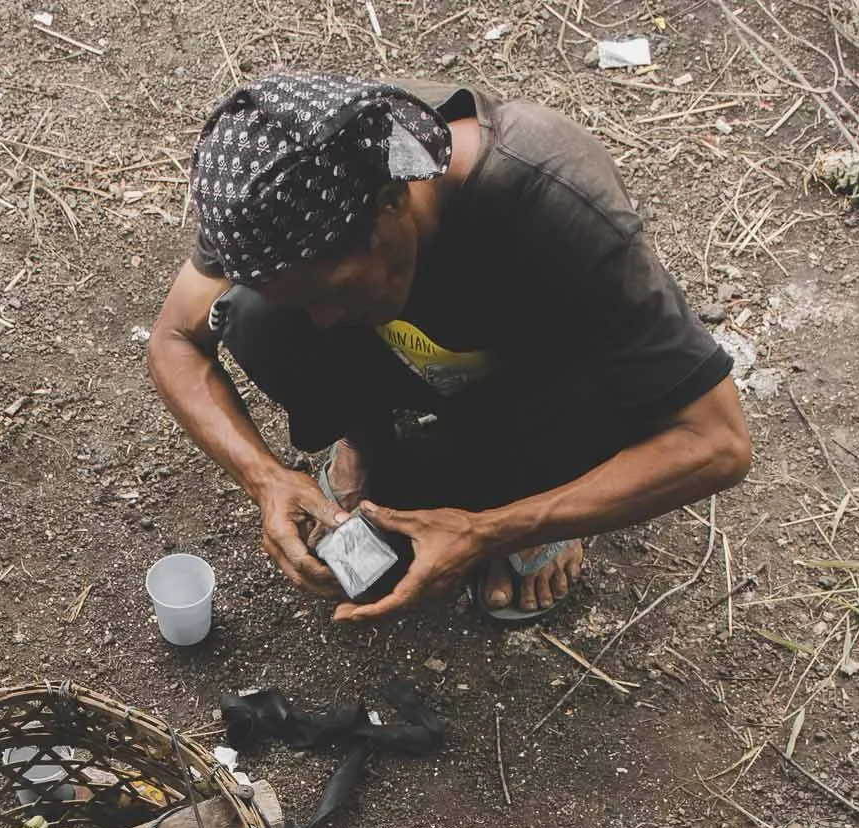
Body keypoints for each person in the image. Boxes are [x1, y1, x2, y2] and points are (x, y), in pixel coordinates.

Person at [147, 75, 753, 627]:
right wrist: (266, 479)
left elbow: (716, 443)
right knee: (255, 316)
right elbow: (173, 339)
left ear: (391, 202)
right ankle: (367, 444)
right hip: (426, 347)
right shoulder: (270, 197)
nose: (325, 322)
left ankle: (536, 493)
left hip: (544, 363)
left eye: (335, 289)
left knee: (586, 386)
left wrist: (488, 530)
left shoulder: (549, 198)